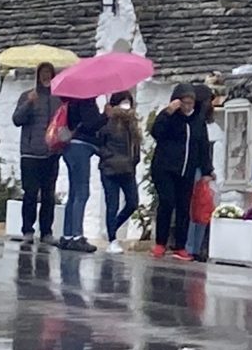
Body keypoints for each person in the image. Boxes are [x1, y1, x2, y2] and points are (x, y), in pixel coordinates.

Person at [12, 63, 61, 244]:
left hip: (51, 153)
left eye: (49, 73)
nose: (46, 76)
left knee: (49, 194)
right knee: (30, 193)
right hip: (30, 153)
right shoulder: (27, 96)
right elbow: (17, 119)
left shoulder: (58, 99)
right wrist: (28, 103)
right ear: (38, 76)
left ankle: (46, 232)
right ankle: (27, 230)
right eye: (43, 73)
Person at [148, 86, 194, 257]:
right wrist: (167, 112)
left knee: (184, 207)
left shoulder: (195, 120)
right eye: (185, 103)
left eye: (191, 103)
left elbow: (201, 143)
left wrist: (206, 168)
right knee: (167, 202)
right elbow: (156, 132)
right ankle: (160, 243)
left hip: (185, 169)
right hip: (164, 168)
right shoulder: (168, 117)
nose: (188, 107)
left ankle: (180, 245)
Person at [57, 94, 104, 253]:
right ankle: (77, 236)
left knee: (74, 192)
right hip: (81, 147)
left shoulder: (71, 101)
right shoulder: (86, 101)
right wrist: (106, 115)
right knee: (82, 192)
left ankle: (67, 235)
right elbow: (92, 124)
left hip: (70, 147)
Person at [99, 92, 142, 247]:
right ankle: (112, 240)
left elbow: (136, 146)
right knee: (112, 204)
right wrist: (108, 157)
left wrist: (134, 161)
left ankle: (112, 228)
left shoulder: (132, 124)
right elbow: (100, 143)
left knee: (132, 203)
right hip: (110, 169)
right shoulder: (108, 122)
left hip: (127, 170)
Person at [183, 81, 220, 260]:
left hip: (200, 169)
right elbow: (200, 149)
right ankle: (191, 247)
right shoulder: (195, 122)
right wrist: (207, 170)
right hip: (193, 170)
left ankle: (195, 247)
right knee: (194, 209)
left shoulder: (201, 122)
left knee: (200, 208)